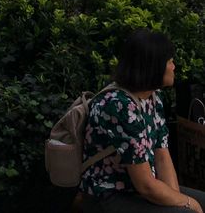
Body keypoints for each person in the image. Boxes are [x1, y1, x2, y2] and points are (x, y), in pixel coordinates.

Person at [80, 29, 205, 212]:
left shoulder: (152, 97)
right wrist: (186, 204)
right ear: (153, 66)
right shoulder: (118, 106)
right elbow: (145, 185)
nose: (174, 66)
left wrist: (179, 199)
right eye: (170, 61)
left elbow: (162, 155)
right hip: (108, 194)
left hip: (140, 189)